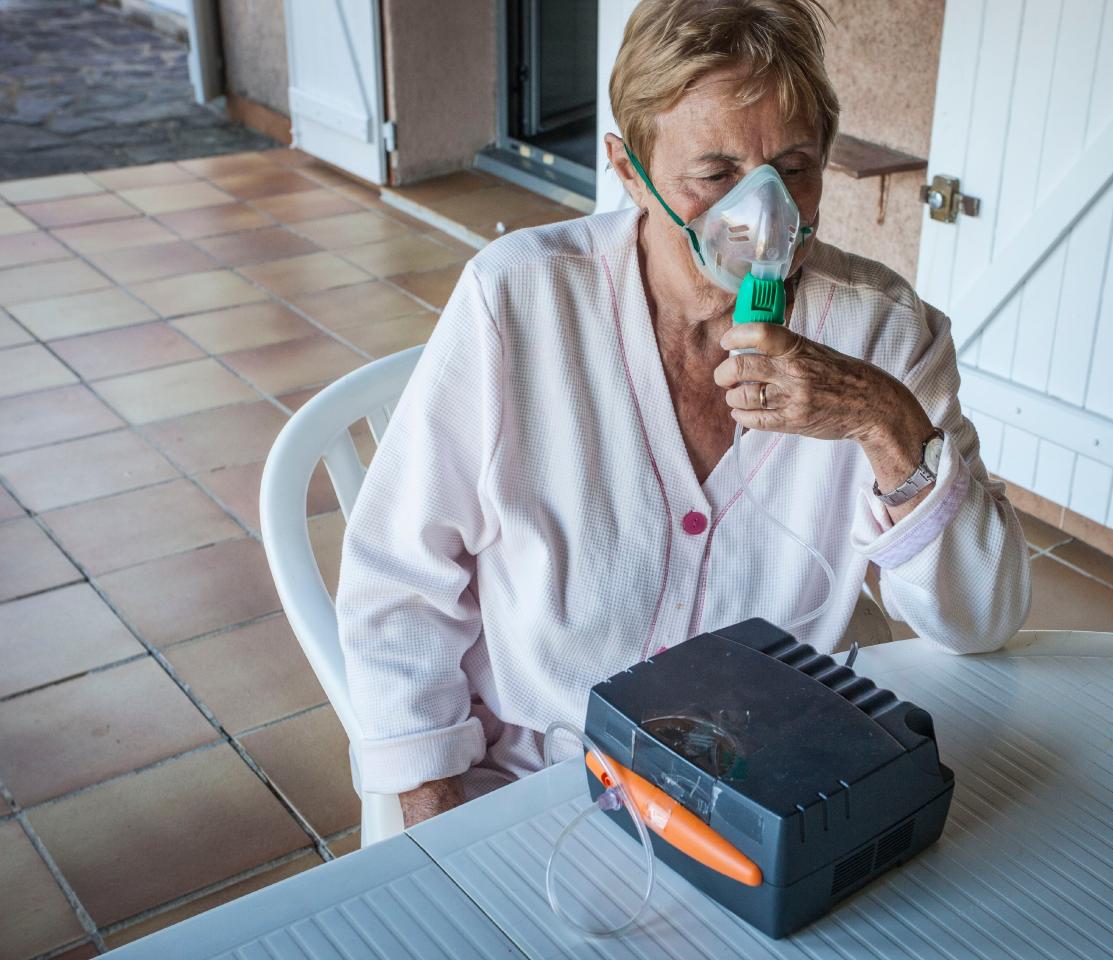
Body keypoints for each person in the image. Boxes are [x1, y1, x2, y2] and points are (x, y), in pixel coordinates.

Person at [336, 0, 1031, 828]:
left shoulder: (883, 329)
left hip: (766, 792)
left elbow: (983, 620)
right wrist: (435, 815)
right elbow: (396, 584)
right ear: (629, 170)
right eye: (715, 172)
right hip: (532, 783)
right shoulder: (519, 297)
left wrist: (881, 416)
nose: (767, 210)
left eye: (796, 166)